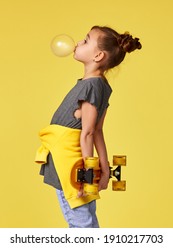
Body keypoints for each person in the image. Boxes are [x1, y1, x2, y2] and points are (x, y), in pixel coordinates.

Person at [35, 25, 142, 228]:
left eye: (85, 41)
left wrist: (87, 175)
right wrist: (103, 166)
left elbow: (88, 133)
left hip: (70, 163)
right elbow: (98, 131)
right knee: (87, 221)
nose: (77, 43)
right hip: (73, 160)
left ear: (98, 55)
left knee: (81, 225)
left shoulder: (90, 86)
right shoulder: (100, 85)